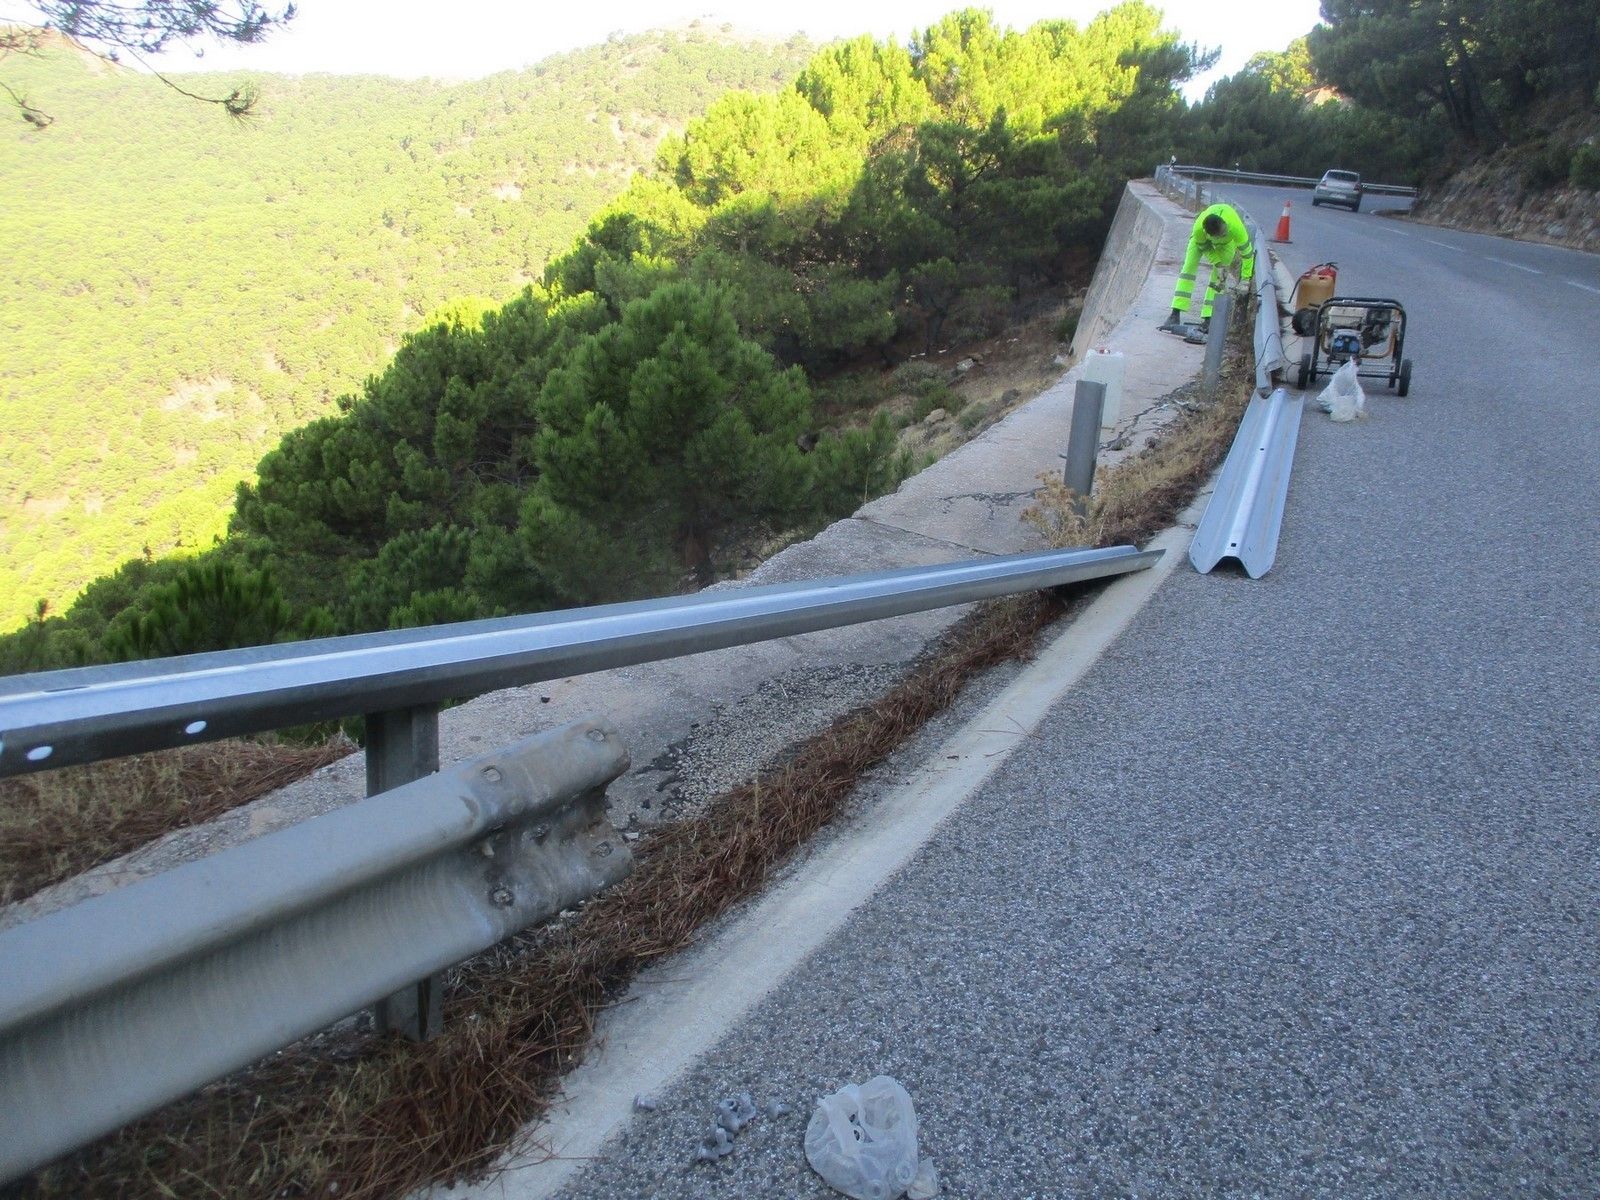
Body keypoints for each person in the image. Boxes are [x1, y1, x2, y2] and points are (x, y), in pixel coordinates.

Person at [1161, 202, 1255, 334]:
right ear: (1208, 233)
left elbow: (1248, 254)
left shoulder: (1235, 227)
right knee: (1188, 268)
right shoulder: (1199, 229)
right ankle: (1175, 312)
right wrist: (1217, 262)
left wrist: (1245, 279)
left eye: (1223, 233)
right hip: (1202, 242)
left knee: (1219, 278)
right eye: (1219, 235)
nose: (1221, 236)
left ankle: (1209, 318)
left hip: (1227, 245)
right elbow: (1204, 247)